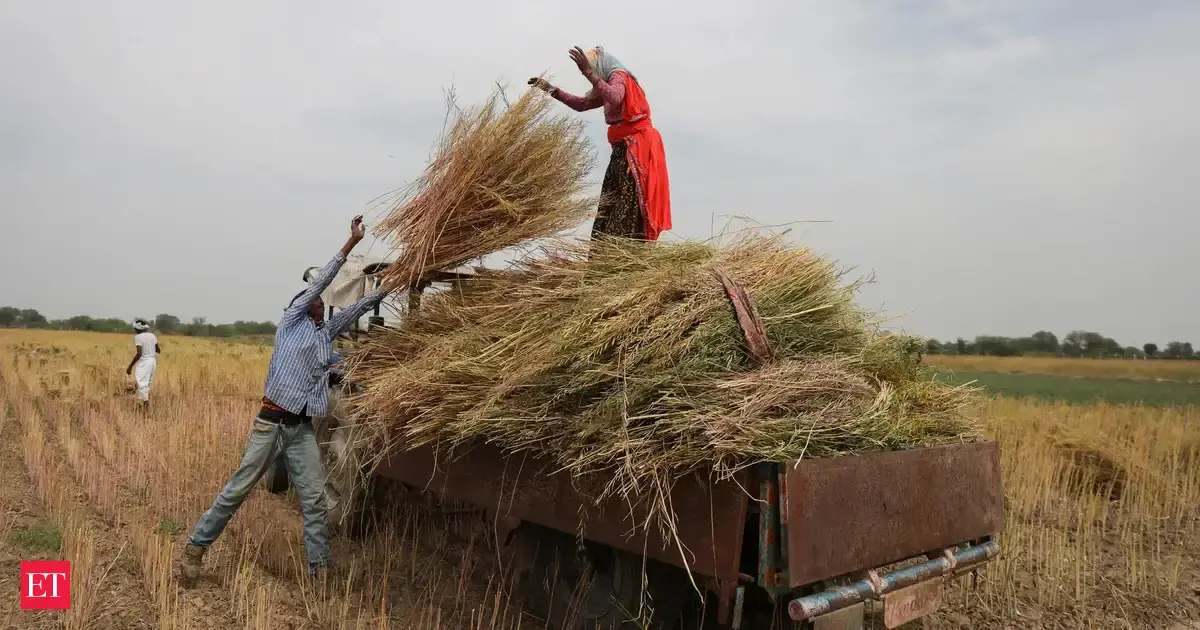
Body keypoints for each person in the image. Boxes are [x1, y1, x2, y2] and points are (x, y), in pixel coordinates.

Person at [181, 215, 386, 583]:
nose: (320, 303)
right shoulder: (290, 323)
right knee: (238, 490)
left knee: (315, 503)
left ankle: (319, 574)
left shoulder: (325, 335)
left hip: (301, 430)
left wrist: (398, 278)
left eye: (322, 302)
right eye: (314, 300)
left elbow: (358, 308)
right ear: (299, 305)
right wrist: (350, 243)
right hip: (271, 424)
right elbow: (320, 282)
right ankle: (195, 548)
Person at [529, 46, 671, 242]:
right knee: (610, 204)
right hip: (622, 149)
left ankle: (625, 257)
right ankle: (606, 259)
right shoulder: (605, 83)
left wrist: (588, 73)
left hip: (636, 150)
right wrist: (550, 89)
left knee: (628, 203)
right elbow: (582, 104)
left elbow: (615, 96)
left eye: (593, 68)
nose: (592, 73)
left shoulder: (619, 77)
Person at [126, 319, 160, 407]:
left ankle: (146, 406)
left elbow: (139, 353)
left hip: (144, 362)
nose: (134, 330)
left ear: (137, 329)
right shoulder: (152, 335)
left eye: (135, 329)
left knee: (141, 384)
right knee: (146, 383)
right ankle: (139, 403)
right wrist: (150, 347)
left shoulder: (138, 337)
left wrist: (130, 366)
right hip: (153, 361)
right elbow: (158, 350)